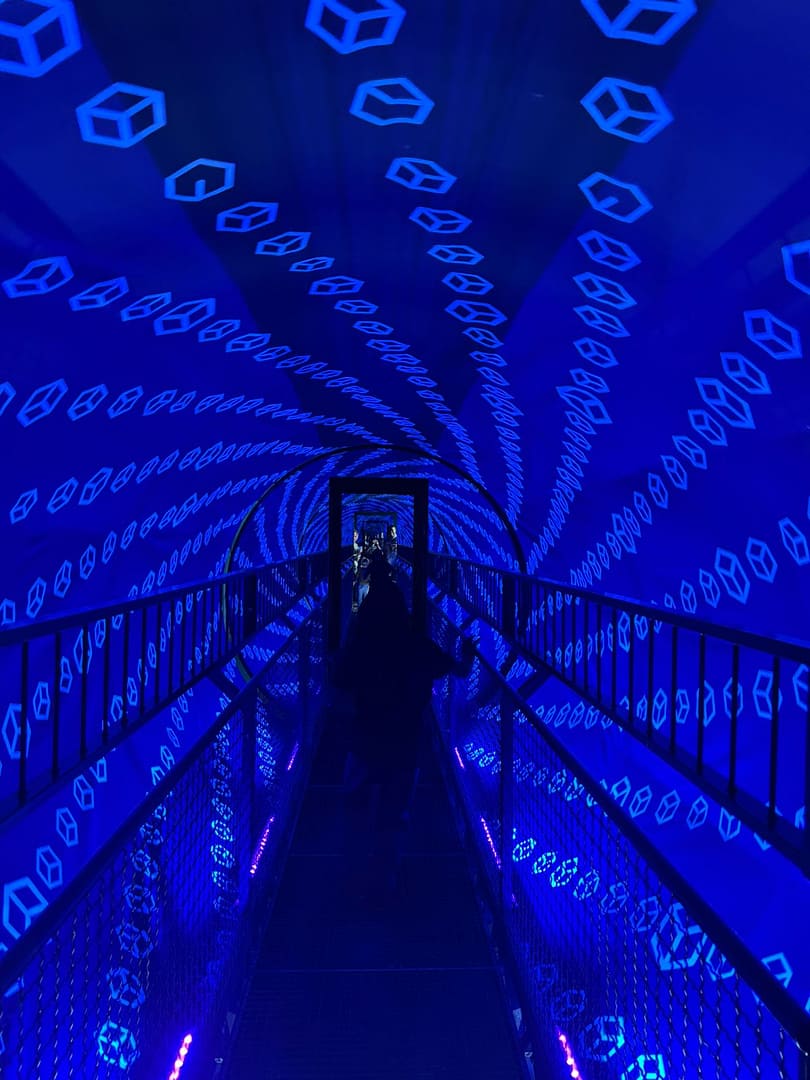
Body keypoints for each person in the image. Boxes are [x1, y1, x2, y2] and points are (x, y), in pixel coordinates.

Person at [332, 555, 476, 898]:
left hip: (366, 738)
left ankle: (352, 872)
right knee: (394, 813)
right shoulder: (414, 643)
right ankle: (386, 878)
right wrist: (467, 653)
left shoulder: (362, 644)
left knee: (354, 802)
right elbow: (458, 670)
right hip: (405, 742)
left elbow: (339, 680)